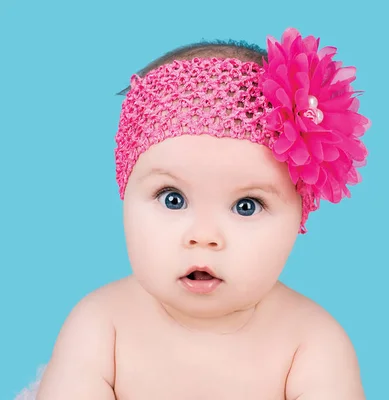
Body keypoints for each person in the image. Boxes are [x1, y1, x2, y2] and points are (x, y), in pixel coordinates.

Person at [33, 27, 371, 399]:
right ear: (125, 195)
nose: (204, 235)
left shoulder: (309, 344)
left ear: (299, 219)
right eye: (172, 198)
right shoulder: (101, 326)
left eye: (247, 206)